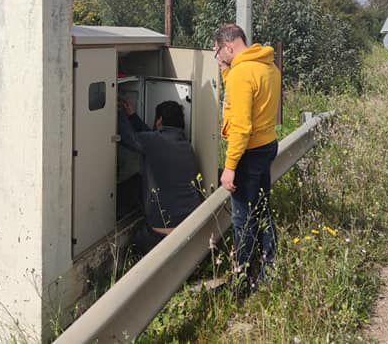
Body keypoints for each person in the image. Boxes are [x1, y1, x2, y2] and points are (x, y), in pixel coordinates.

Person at [212, 23, 280, 294]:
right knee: (262, 210)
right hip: (267, 145)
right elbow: (250, 96)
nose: (218, 57)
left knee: (243, 219)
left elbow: (240, 126)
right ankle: (268, 268)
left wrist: (229, 167)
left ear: (228, 46)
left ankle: (242, 282)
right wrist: (227, 72)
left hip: (248, 154)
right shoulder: (266, 65)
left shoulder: (242, 74)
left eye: (217, 51)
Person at [117, 99, 202, 255]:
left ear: (160, 120)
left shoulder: (154, 142)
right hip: (190, 224)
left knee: (133, 248)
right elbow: (150, 137)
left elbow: (129, 137)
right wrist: (132, 116)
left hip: (161, 231)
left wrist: (116, 112)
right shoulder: (186, 146)